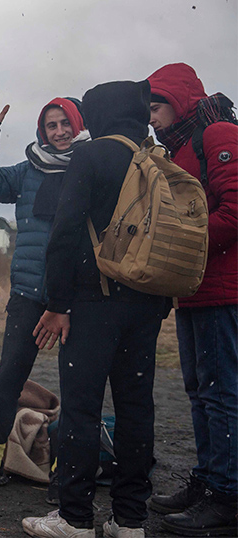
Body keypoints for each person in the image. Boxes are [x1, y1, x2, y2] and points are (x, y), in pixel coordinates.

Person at [21, 80, 168, 538]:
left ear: (99, 113)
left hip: (91, 305)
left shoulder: (92, 155)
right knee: (135, 409)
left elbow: (65, 234)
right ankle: (130, 519)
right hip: (146, 305)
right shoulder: (155, 159)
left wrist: (57, 304)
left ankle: (76, 518)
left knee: (83, 410)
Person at [0, 91, 88, 498]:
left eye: (65, 122)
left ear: (79, 124)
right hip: (29, 291)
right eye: (51, 125)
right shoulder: (28, 170)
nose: (60, 131)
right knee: (8, 379)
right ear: (42, 131)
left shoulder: (94, 166)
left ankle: (69, 469)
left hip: (80, 296)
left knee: (80, 385)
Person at [146, 63, 237, 537]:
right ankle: (207, 482)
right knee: (201, 393)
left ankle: (227, 496)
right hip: (195, 291)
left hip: (225, 291)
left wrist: (182, 246)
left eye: (156, 106)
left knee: (222, 394)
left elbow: (235, 211)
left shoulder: (217, 134)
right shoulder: (179, 148)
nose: (152, 118)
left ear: (177, 101)